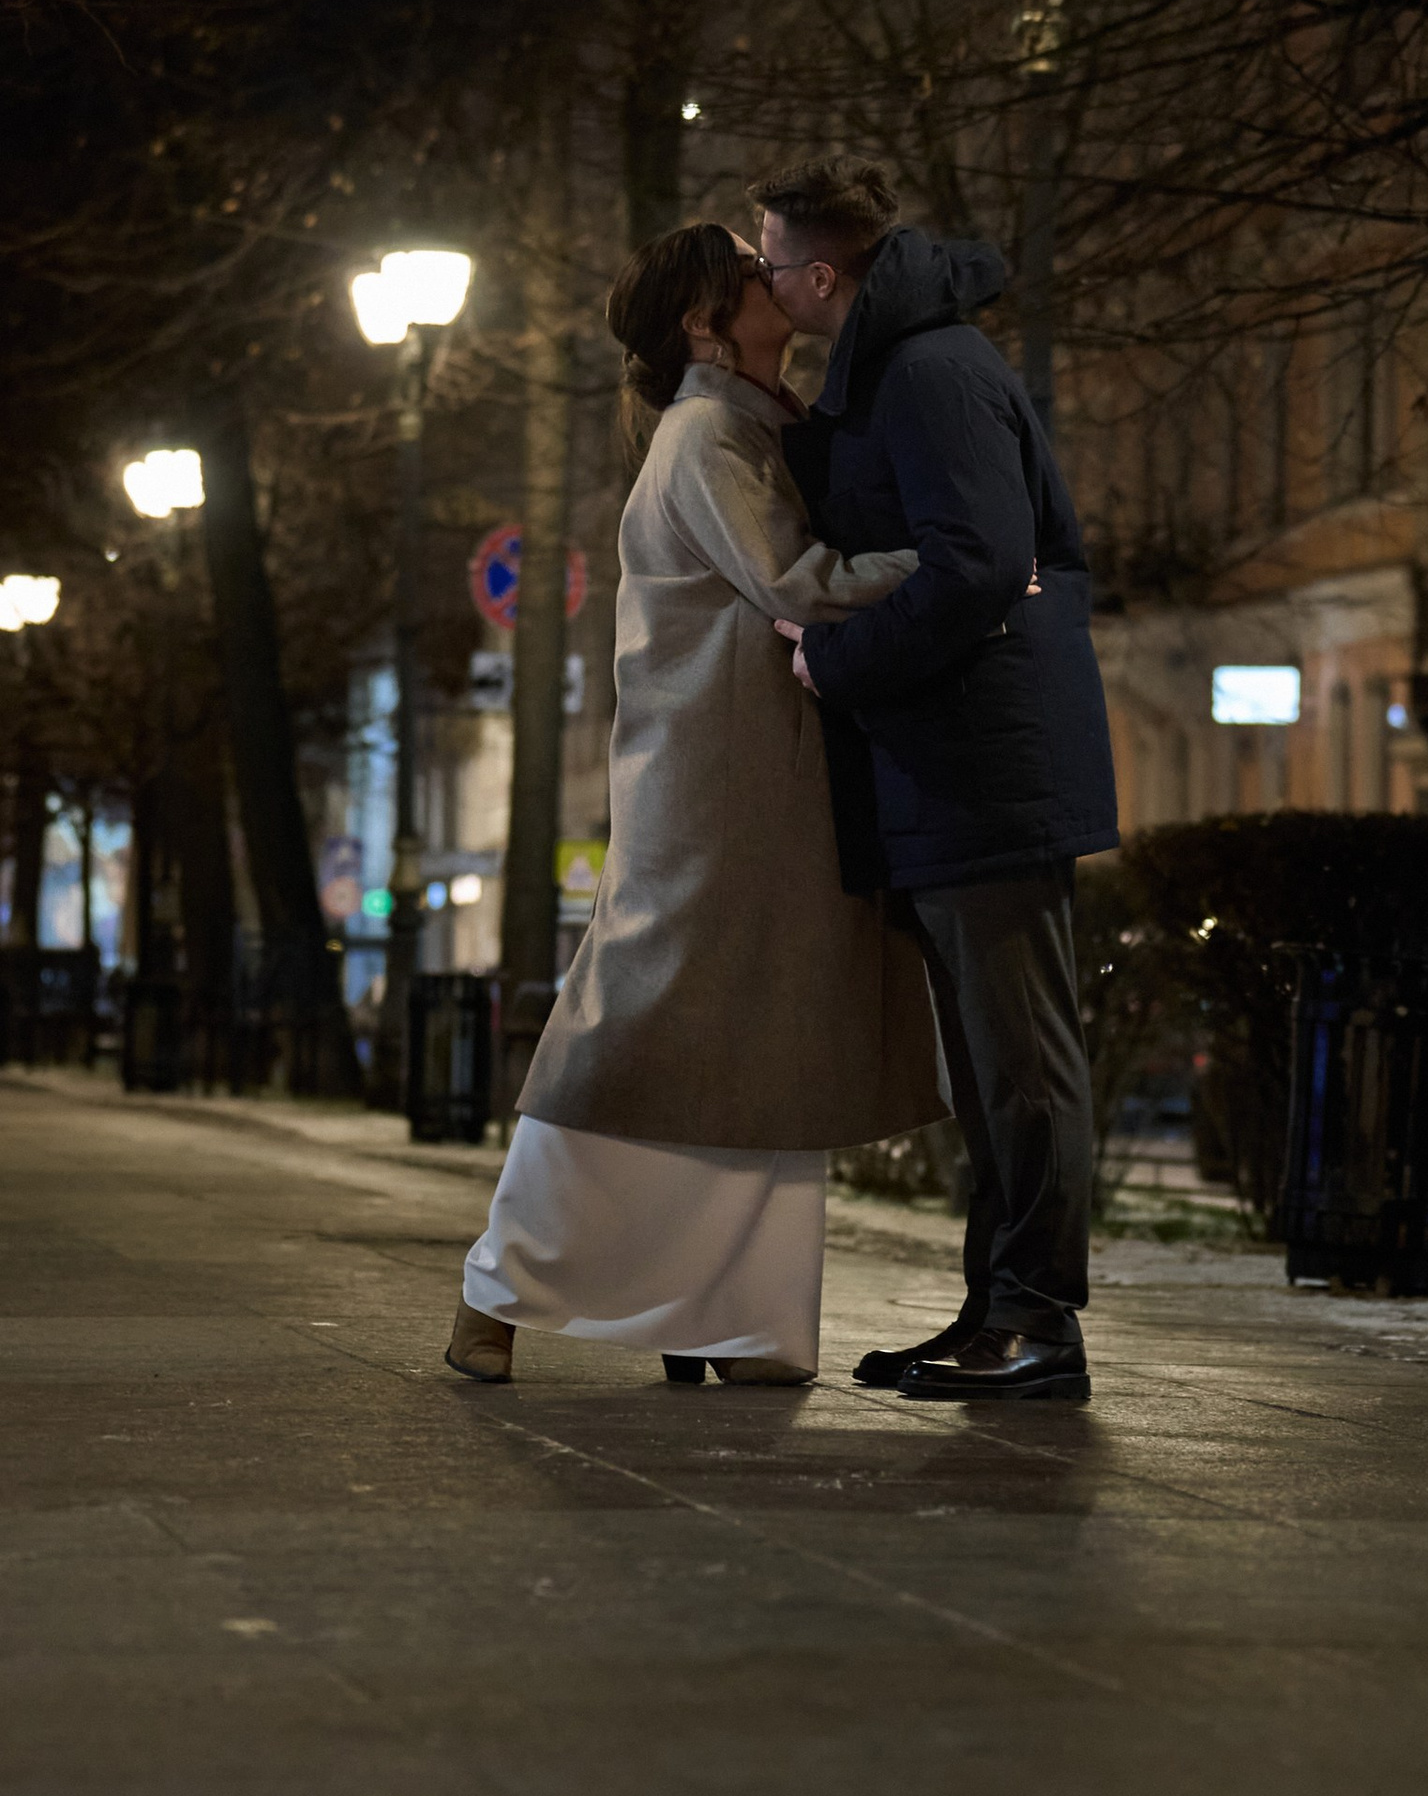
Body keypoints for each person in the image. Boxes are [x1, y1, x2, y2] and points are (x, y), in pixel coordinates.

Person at [447, 221, 942, 1391]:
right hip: (716, 783)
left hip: (753, 776)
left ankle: (734, 1317)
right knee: (639, 1023)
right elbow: (794, 583)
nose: (775, 280)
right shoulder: (709, 433)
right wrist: (952, 567)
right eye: (746, 273)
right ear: (703, 321)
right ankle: (499, 1289)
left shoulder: (747, 426)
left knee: (760, 1035)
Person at [756, 158, 1119, 1406]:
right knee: (991, 1061)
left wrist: (838, 661)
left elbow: (977, 565)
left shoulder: (930, 370)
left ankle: (1036, 1320)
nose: (761, 284)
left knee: (1020, 1060)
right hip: (959, 760)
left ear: (818, 273)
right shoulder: (906, 367)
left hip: (987, 764)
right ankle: (995, 1311)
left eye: (767, 264)